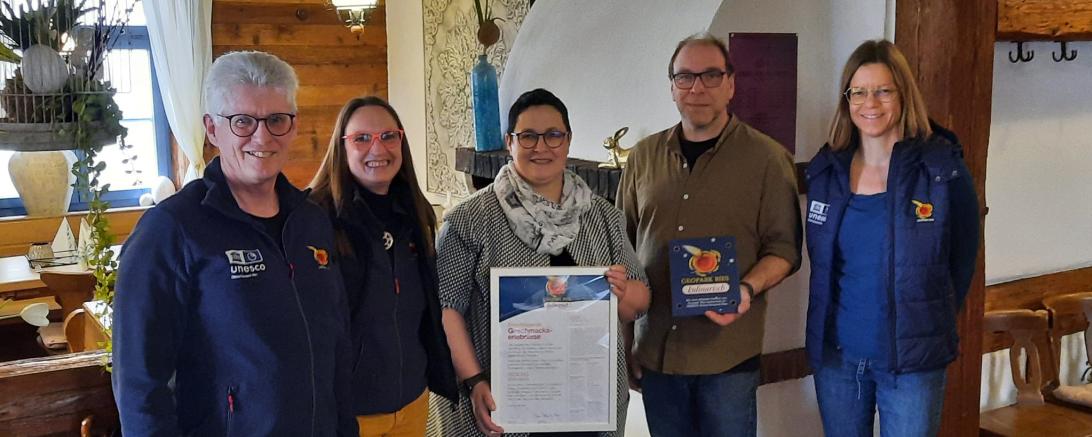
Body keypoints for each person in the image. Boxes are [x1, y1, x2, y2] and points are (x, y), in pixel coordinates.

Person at [112, 51, 356, 436]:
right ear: (212, 129)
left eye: (277, 120)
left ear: (293, 127)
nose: (262, 137)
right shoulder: (171, 231)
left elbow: (335, 348)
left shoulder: (311, 220)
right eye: (243, 121)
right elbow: (141, 386)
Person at [431, 88, 650, 437]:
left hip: (588, 401)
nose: (541, 147)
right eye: (528, 136)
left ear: (568, 140)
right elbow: (447, 307)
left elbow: (639, 302)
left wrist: (622, 291)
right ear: (509, 142)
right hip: (504, 402)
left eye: (553, 135)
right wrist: (474, 381)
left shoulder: (604, 217)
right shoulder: (470, 219)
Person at [616, 33, 802, 437]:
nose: (697, 87)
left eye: (711, 75)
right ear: (671, 87)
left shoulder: (768, 159)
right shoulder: (643, 158)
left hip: (728, 359)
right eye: (685, 77)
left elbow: (785, 248)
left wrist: (747, 288)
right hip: (658, 353)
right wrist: (625, 340)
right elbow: (623, 253)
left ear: (731, 84)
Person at [804, 39, 979, 437]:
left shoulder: (940, 168)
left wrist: (925, 321)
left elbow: (963, 260)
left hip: (912, 361)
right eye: (859, 92)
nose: (871, 102)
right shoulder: (826, 172)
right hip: (838, 359)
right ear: (847, 99)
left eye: (883, 90)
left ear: (903, 95)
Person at [309, 96, 459, 437]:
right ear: (341, 148)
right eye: (362, 138)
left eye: (388, 136)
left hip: (411, 402)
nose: (378, 148)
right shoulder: (314, 218)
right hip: (348, 412)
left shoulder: (416, 212)